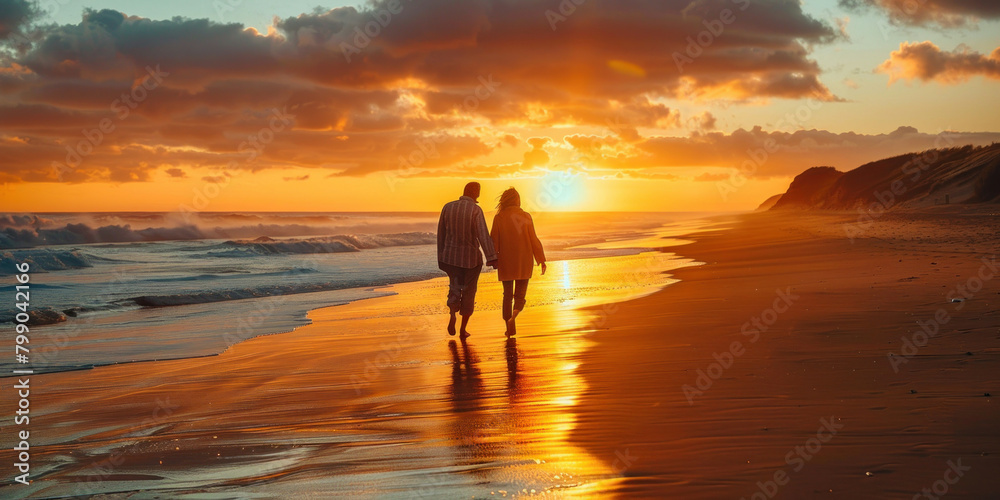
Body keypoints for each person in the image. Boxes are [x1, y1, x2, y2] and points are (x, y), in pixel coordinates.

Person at [437, 182, 498, 337]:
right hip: (471, 259)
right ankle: (463, 329)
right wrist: (491, 258)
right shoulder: (475, 210)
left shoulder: (447, 207)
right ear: (476, 193)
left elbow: (441, 233)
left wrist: (441, 257)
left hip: (450, 257)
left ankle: (452, 313)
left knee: (455, 286)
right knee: (469, 292)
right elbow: (482, 235)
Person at [490, 187, 546, 337]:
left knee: (507, 296)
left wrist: (493, 259)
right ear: (517, 200)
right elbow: (533, 238)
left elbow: (494, 240)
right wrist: (541, 259)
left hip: (506, 261)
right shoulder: (525, 216)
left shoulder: (499, 217)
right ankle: (513, 317)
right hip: (524, 260)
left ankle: (508, 325)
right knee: (520, 296)